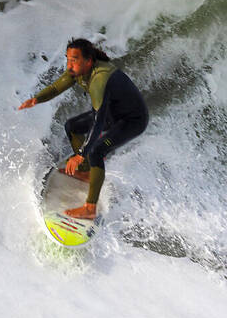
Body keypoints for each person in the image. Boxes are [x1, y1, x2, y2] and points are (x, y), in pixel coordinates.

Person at [19, 38, 149, 219]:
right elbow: (57, 87)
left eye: (74, 60)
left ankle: (89, 208)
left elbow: (98, 122)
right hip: (114, 114)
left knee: (96, 150)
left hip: (132, 120)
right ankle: (86, 170)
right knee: (72, 126)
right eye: (68, 59)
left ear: (88, 61)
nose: (69, 65)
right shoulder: (78, 70)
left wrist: (80, 153)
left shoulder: (99, 80)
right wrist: (36, 99)